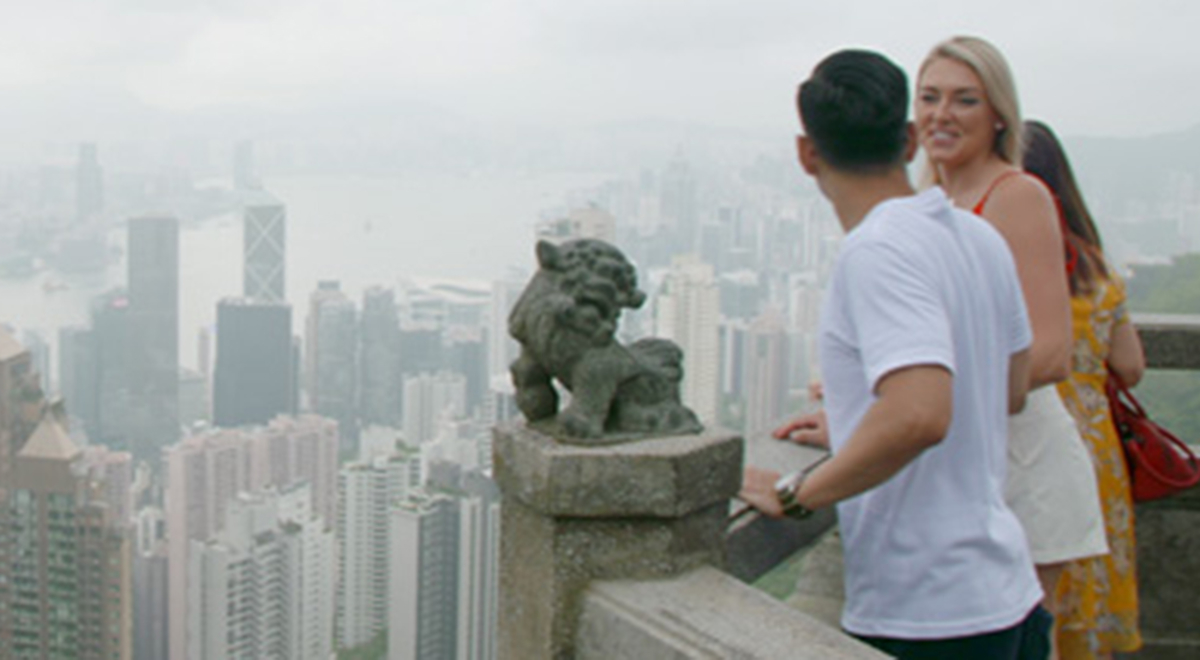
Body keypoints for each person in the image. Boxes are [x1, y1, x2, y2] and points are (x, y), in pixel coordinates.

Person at [741, 48, 1049, 659]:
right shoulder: (977, 235)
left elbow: (920, 414)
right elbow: (1007, 389)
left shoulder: (877, 251)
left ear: (807, 153)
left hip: (928, 611)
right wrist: (857, 422)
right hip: (1008, 591)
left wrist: (799, 493)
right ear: (910, 140)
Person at [912, 36, 1109, 639]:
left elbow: (1051, 352)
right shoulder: (932, 201)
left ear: (999, 114)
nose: (942, 114)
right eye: (929, 97)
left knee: (1013, 646)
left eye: (964, 100)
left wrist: (914, 404)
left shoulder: (1016, 196)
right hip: (964, 459)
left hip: (1021, 464)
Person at [1023, 119, 1146, 659]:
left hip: (1033, 441)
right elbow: (1131, 365)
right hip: (1097, 452)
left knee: (1036, 594)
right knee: (1083, 587)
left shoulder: (1020, 264)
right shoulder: (1097, 270)